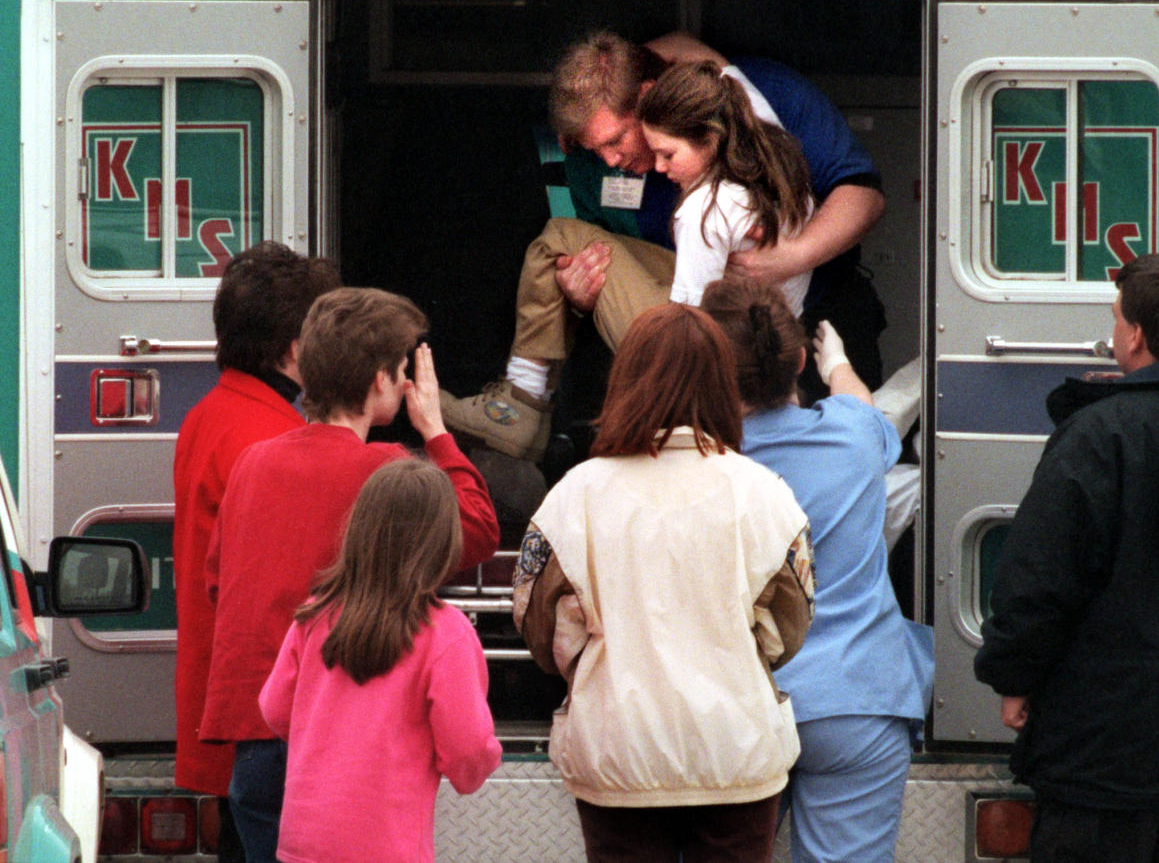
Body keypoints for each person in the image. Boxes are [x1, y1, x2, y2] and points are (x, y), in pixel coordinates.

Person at [442, 29, 886, 461]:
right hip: (733, 314)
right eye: (593, 147)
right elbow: (677, 45)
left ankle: (521, 402)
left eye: (618, 140)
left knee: (562, 236)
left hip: (752, 333)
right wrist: (577, 299)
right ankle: (523, 405)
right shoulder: (633, 150)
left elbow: (863, 195)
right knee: (567, 240)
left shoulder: (741, 127)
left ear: (651, 97)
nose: (612, 160)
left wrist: (791, 257)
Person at [200, 287, 500, 863]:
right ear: (383, 381)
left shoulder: (253, 462)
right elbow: (479, 531)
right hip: (340, 746)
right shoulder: (383, 469)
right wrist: (436, 430)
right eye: (405, 370)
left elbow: (218, 581)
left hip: (260, 727)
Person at [513, 302, 815, 862]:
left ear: (624, 380)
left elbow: (538, 624)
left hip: (616, 752)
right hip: (737, 753)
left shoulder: (574, 495)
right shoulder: (765, 492)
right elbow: (789, 630)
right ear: (723, 384)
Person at [974, 253, 1159, 862]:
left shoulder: (1098, 433)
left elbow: (1039, 579)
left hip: (1102, 755)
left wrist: (1014, 678)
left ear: (1136, 335)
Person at [702, 277, 933, 863]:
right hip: (857, 698)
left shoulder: (697, 463)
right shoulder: (851, 436)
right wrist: (838, 366)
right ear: (798, 359)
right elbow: (862, 405)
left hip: (738, 705)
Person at [172, 241, 340, 860]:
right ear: (295, 349)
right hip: (263, 717)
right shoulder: (272, 437)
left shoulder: (209, 416)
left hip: (226, 702)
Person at [259, 458, 502, 863]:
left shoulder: (315, 614)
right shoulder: (446, 632)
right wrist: (477, 767)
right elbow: (467, 750)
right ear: (442, 542)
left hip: (303, 843)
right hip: (390, 847)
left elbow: (274, 709)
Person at [637, 60, 814, 315]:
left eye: (667, 154)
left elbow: (691, 322)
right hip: (781, 336)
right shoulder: (786, 170)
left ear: (710, 140)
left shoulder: (703, 212)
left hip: (723, 345)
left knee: (568, 235)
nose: (659, 167)